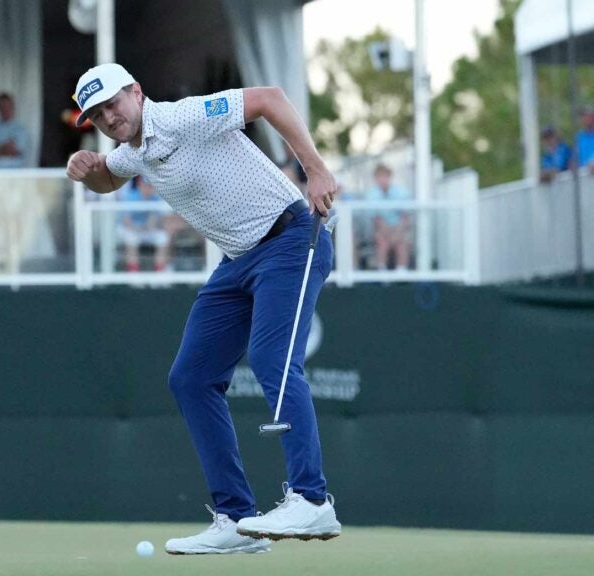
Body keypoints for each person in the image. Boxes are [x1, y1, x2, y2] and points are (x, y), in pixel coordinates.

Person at [66, 63, 341, 554]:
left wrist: (316, 170)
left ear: (136, 91)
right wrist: (88, 173)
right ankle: (236, 519)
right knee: (191, 378)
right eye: (97, 115)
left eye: (113, 103)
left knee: (273, 360)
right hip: (237, 261)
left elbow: (271, 99)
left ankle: (312, 498)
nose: (108, 118)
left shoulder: (183, 117)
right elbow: (110, 176)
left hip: (292, 238)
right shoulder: (135, 151)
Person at [365, 164, 412, 271]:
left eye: (385, 176)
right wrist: (388, 233)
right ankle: (382, 272)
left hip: (399, 228)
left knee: (403, 242)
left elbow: (405, 216)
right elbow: (376, 219)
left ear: (390, 177)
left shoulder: (401, 192)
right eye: (379, 177)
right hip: (382, 230)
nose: (382, 180)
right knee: (381, 241)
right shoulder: (371, 194)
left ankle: (401, 271)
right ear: (375, 178)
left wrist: (397, 233)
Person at [117, 175, 169, 272]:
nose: (148, 188)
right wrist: (138, 228)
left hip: (146, 230)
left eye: (150, 186)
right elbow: (126, 220)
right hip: (129, 228)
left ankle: (160, 272)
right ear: (139, 185)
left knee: (162, 237)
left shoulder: (155, 198)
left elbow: (157, 220)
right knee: (131, 238)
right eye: (146, 185)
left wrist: (151, 224)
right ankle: (133, 272)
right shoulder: (131, 196)